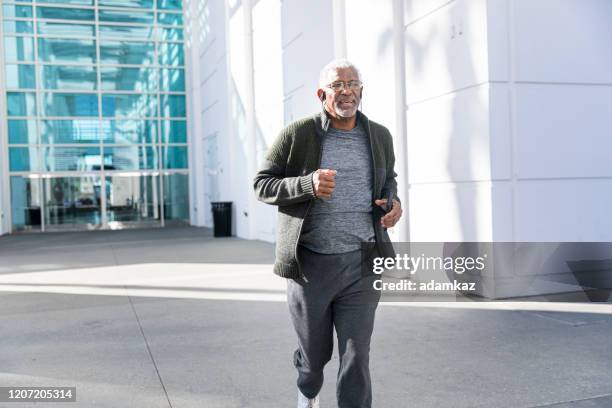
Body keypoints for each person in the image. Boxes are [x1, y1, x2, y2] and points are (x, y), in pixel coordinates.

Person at [253, 59, 402, 408]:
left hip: (363, 262)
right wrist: (307, 184)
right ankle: (307, 391)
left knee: (356, 356)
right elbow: (262, 184)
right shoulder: (298, 134)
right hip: (311, 267)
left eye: (352, 83)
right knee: (314, 358)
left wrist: (393, 203)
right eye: (337, 85)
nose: (346, 90)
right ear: (322, 94)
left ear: (361, 91)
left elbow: (387, 179)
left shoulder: (379, 135)